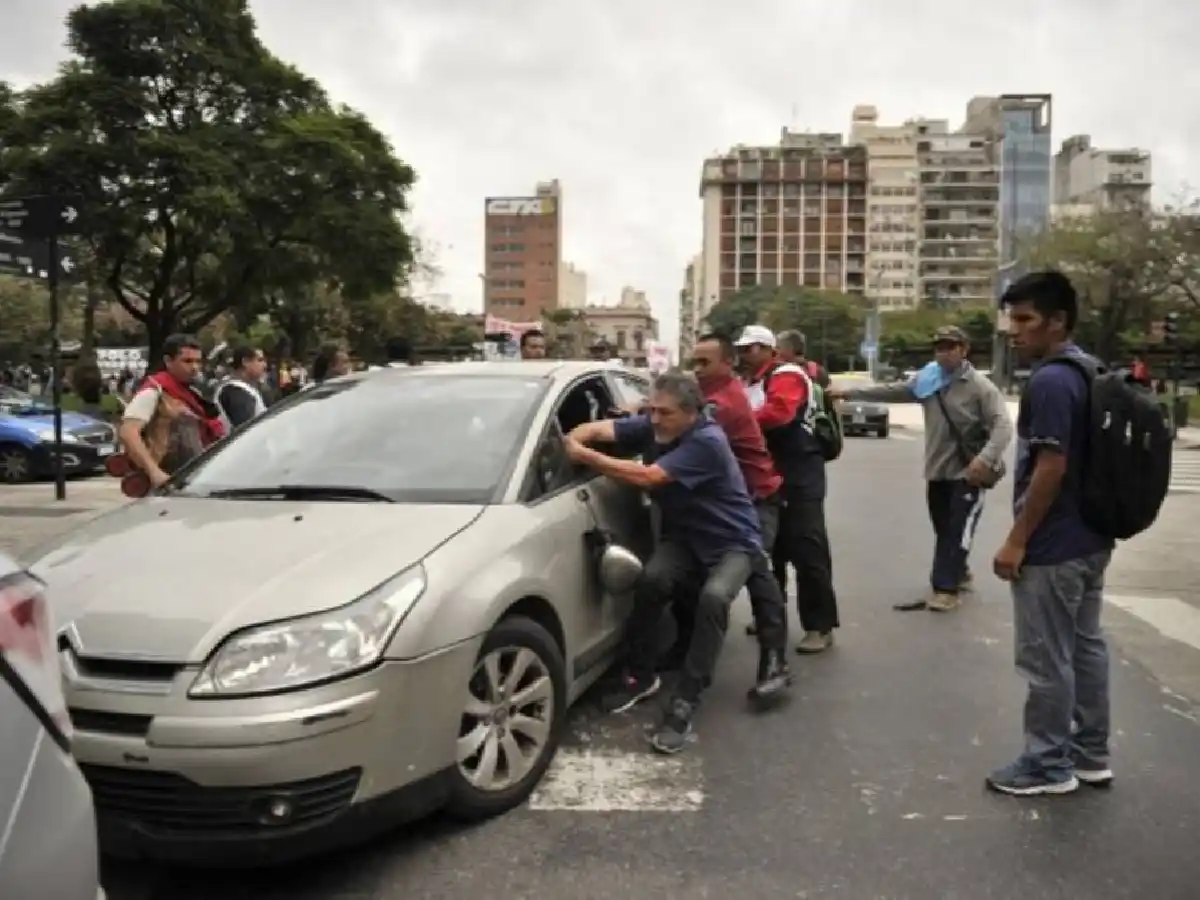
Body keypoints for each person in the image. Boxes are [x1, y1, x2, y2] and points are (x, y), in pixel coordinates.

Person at [565, 373, 789, 754]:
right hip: (685, 539)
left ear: (691, 412)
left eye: (664, 413)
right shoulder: (655, 425)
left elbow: (649, 476)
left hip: (733, 543)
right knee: (651, 581)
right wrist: (576, 436)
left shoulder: (707, 441)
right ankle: (639, 676)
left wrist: (585, 455)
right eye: (651, 410)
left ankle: (686, 700)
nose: (654, 419)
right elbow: (603, 428)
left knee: (714, 598)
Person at [985, 271, 1115, 797]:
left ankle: (1047, 765)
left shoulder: (1051, 380)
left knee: (1045, 658)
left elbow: (1051, 467)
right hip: (1091, 537)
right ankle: (1090, 755)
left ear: (1057, 321)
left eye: (1025, 320)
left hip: (1055, 544)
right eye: (1011, 320)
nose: (1014, 331)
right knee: (1085, 647)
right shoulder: (1089, 369)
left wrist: (1017, 539)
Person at [831, 325, 1013, 612]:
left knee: (956, 530)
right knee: (944, 529)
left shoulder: (980, 386)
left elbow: (1003, 426)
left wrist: (985, 459)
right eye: (939, 346)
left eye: (950, 346)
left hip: (968, 474)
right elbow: (893, 391)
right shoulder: (929, 380)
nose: (943, 352)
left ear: (964, 350)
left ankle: (945, 589)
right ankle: (959, 570)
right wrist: (849, 393)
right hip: (937, 471)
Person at [689, 332, 792, 685]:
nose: (697, 370)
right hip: (728, 505)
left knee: (758, 576)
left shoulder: (723, 403)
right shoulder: (705, 395)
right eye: (694, 362)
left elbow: (683, 427)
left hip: (756, 500)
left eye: (705, 362)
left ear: (727, 363)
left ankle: (775, 660)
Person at [736, 325, 840, 654]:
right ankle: (770, 615)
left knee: (807, 549)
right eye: (742, 349)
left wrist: (739, 420)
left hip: (799, 472)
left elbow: (780, 413)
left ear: (769, 349)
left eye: (751, 348)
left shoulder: (787, 374)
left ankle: (819, 626)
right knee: (770, 549)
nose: (745, 354)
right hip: (766, 473)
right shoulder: (749, 382)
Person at [117, 334, 225, 489]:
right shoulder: (155, 391)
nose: (194, 367)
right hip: (167, 482)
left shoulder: (193, 391)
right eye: (187, 361)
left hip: (193, 479)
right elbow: (128, 432)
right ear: (168, 361)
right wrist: (154, 472)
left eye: (197, 361)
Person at [215, 346, 268, 432]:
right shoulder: (236, 391)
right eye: (260, 360)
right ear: (245, 362)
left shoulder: (242, 388)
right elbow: (247, 431)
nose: (265, 365)